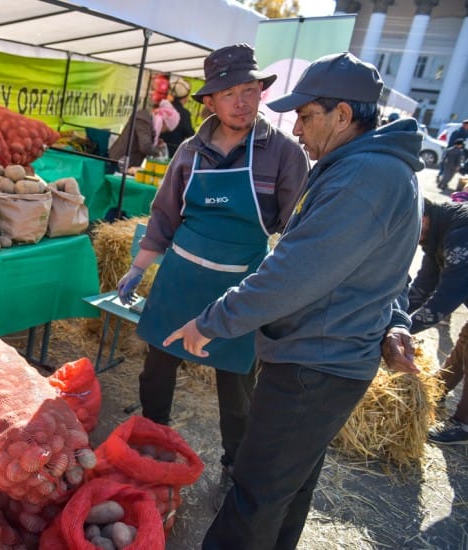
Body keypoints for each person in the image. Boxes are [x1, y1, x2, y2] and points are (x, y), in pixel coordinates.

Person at [163, 52, 423, 548]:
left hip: (313, 364)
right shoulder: (375, 168)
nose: (298, 129)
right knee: (288, 489)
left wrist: (211, 322)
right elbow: (385, 266)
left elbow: (291, 274)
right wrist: (397, 321)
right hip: (328, 359)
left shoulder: (363, 176)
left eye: (306, 116)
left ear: (343, 115)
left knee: (254, 495)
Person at [115, 43, 309, 507]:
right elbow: (164, 216)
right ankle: (152, 438)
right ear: (209, 102)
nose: (242, 101)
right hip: (181, 276)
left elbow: (298, 226)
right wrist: (138, 268)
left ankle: (233, 464)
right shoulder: (189, 150)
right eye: (229, 93)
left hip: (239, 285)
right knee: (156, 369)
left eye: (250, 90)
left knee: (236, 385)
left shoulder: (283, 154)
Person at [406, 198, 468, 444]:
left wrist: (401, 331)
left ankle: (464, 424)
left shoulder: (461, 232)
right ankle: (438, 390)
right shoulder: (436, 234)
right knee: (465, 339)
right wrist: (393, 320)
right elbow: (423, 286)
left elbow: (445, 299)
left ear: (424, 216)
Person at [108, 99, 180, 172]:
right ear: (164, 122)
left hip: (127, 162)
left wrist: (155, 142)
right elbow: (145, 146)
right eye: (166, 129)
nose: (163, 131)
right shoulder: (143, 120)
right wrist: (158, 153)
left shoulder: (148, 122)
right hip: (119, 161)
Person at [160, 78, 196, 157]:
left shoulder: (163, 107)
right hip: (174, 152)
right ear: (185, 98)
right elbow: (190, 133)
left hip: (159, 150)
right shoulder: (184, 113)